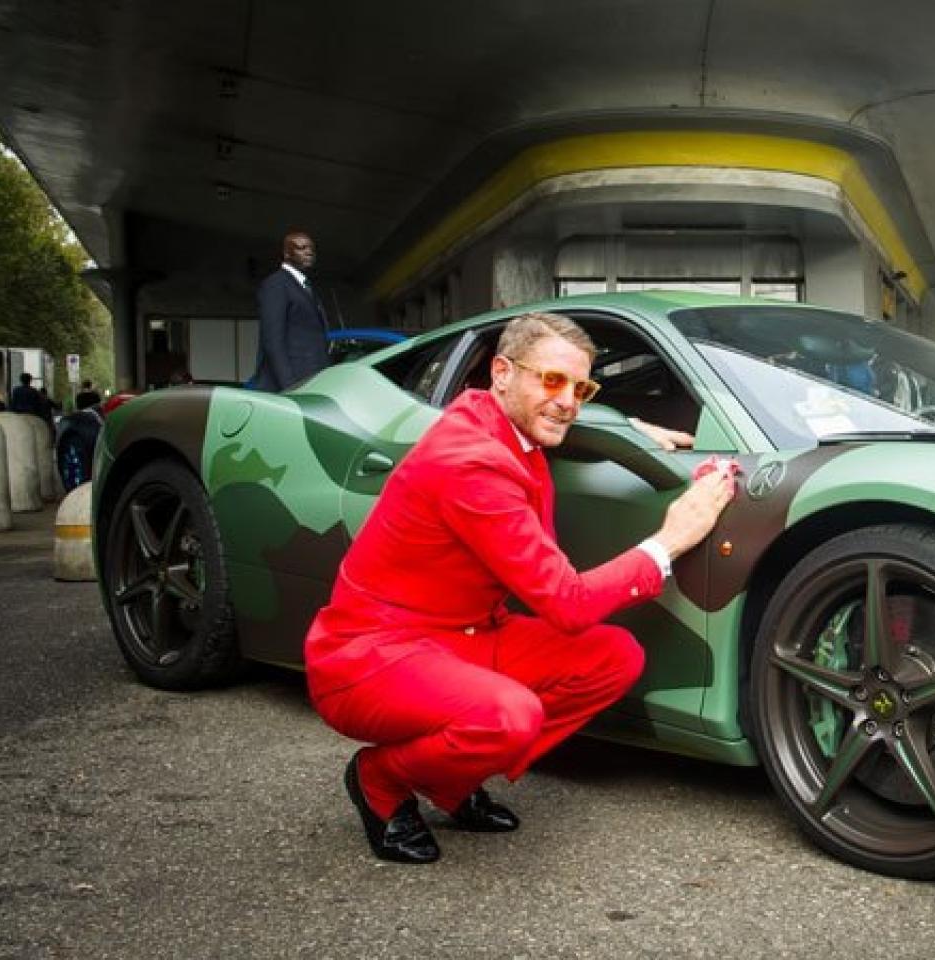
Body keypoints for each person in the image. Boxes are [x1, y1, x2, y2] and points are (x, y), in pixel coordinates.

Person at [305, 312, 734, 864]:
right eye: (552, 380)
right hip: (372, 655)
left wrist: (630, 430)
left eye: (582, 388)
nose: (569, 400)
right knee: (509, 716)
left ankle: (448, 781)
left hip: (463, 635)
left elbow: (555, 417)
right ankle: (380, 780)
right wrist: (670, 540)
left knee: (612, 658)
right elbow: (567, 603)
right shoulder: (469, 463)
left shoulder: (495, 417)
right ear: (501, 372)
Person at [251, 231, 332, 392]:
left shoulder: (306, 287)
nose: (309, 252)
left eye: (311, 249)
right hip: (291, 386)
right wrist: (290, 388)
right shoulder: (276, 284)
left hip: (312, 382)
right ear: (287, 253)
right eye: (301, 248)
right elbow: (273, 341)